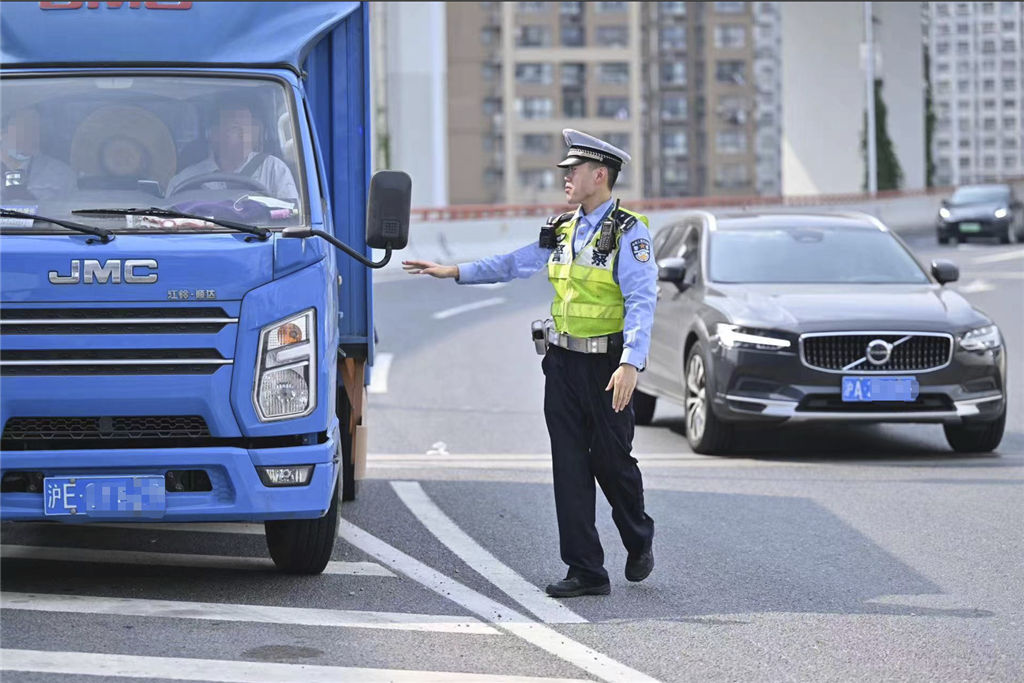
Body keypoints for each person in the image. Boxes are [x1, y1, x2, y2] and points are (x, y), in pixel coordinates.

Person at [403, 130, 658, 598]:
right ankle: (587, 570)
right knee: (569, 466)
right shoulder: (561, 229)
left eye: (573, 171)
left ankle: (639, 537)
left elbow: (642, 299)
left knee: (612, 463)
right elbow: (515, 263)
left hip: (608, 369)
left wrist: (631, 363)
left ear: (599, 175)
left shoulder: (628, 231)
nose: (565, 178)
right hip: (561, 365)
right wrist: (456, 271)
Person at [166, 103, 297, 200]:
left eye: (248, 128)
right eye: (235, 128)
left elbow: (292, 216)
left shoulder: (274, 169)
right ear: (213, 135)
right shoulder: (184, 181)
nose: (244, 135)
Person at [0, 106, 77, 201]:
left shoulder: (61, 174)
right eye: (25, 128)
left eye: (37, 129)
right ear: (2, 133)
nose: (33, 135)